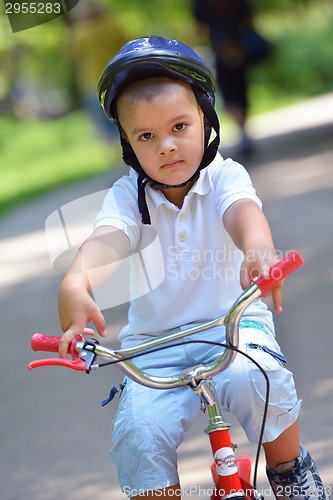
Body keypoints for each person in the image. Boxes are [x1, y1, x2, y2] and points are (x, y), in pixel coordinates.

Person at [57, 36, 327, 499]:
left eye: (180, 126)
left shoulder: (225, 176)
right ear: (127, 142)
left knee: (258, 379)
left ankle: (290, 473)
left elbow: (243, 214)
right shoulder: (127, 197)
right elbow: (108, 241)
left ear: (206, 118)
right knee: (137, 431)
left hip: (233, 330)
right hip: (154, 349)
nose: (166, 146)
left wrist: (258, 250)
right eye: (146, 136)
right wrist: (77, 281)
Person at [192, 0, 271, 156]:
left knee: (230, 94)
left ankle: (242, 131)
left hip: (221, 50)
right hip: (240, 50)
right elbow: (249, 20)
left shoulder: (200, 4)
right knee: (240, 91)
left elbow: (199, 29)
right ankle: (243, 130)